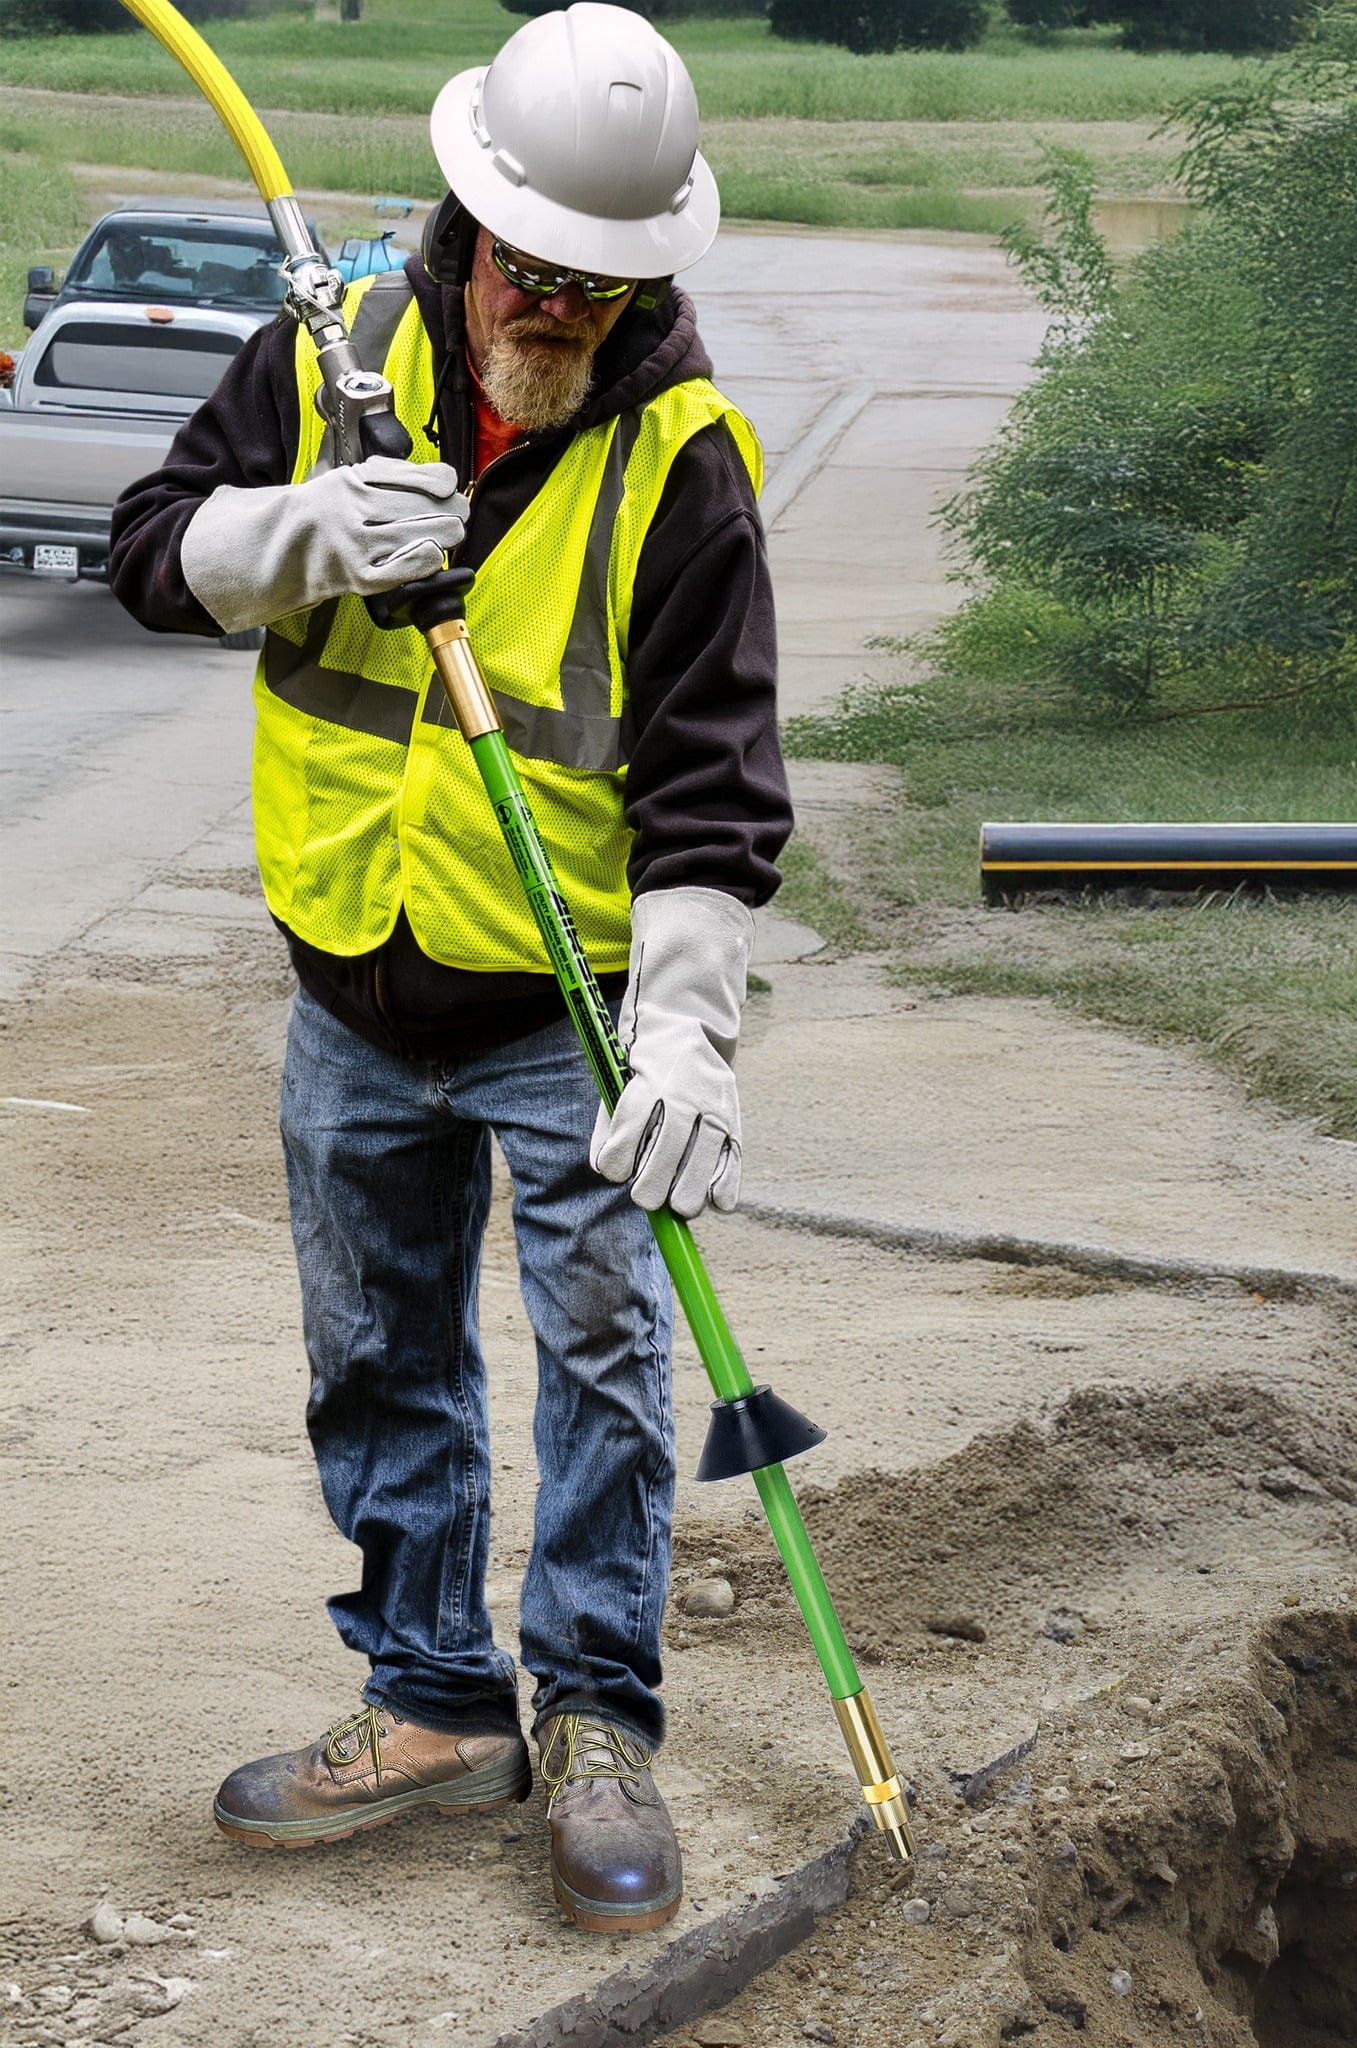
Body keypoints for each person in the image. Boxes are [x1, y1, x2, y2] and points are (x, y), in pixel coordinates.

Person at [108, 3, 787, 1934]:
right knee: (379, 1357)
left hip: (558, 1011)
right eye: (529, 270)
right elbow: (149, 554)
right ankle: (427, 1701)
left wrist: (687, 1036)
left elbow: (715, 792)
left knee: (603, 1364)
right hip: (348, 990)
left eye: (595, 284)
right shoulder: (334, 366)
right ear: (468, 226)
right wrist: (300, 530)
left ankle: (591, 1717)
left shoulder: (686, 465)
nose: (552, 310)